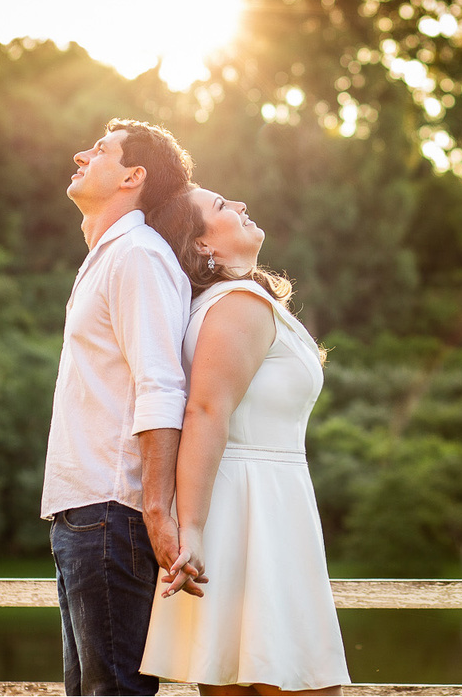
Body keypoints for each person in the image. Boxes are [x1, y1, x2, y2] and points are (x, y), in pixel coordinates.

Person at [140, 186, 350, 695]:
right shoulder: (239, 304)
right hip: (250, 501)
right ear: (203, 245)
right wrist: (189, 527)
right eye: (220, 208)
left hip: (265, 500)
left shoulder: (233, 302)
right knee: (299, 681)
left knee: (256, 679)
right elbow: (207, 411)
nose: (237, 204)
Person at [41, 118, 194, 695]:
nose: (81, 154)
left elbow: (161, 385)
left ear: (133, 175)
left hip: (114, 510)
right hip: (84, 510)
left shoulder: (137, 257)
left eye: (100, 150)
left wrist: (155, 508)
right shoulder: (110, 256)